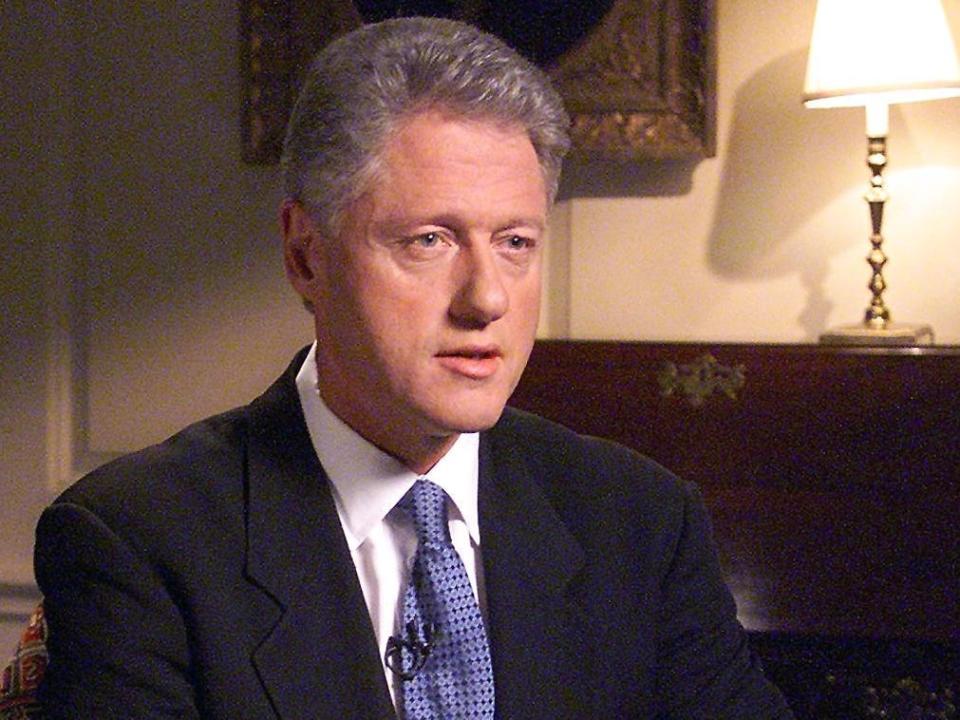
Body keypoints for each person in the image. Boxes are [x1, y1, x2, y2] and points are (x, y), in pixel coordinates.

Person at [33, 16, 794, 720]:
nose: (487, 298)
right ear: (306, 254)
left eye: (516, 243)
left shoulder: (639, 521)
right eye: (429, 240)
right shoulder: (137, 539)